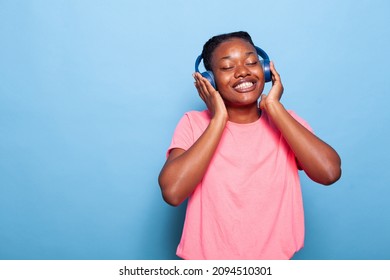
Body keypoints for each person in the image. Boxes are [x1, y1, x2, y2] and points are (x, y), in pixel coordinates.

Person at [158, 31, 341, 260]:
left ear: (264, 70)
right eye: (227, 67)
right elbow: (172, 192)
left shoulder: (287, 122)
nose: (243, 71)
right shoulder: (193, 124)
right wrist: (218, 120)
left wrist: (274, 107)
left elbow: (329, 172)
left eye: (252, 62)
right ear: (209, 79)